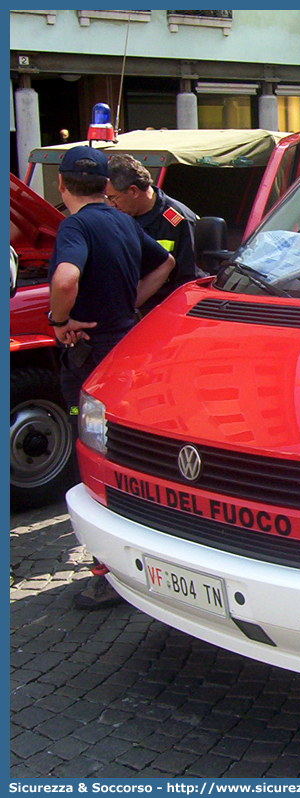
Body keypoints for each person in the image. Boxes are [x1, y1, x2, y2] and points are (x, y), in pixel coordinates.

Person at [47, 145, 175, 609]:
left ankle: (105, 571)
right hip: (124, 349)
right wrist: (131, 305)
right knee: (127, 457)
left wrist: (58, 320)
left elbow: (65, 280)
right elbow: (166, 262)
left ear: (61, 185)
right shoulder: (124, 220)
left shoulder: (75, 226)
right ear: (106, 186)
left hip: (88, 356)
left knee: (93, 458)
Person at [106, 153, 200, 313]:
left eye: (113, 197)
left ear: (134, 191)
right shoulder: (117, 217)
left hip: (164, 310)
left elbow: (189, 281)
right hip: (124, 309)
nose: (110, 204)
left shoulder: (178, 221)